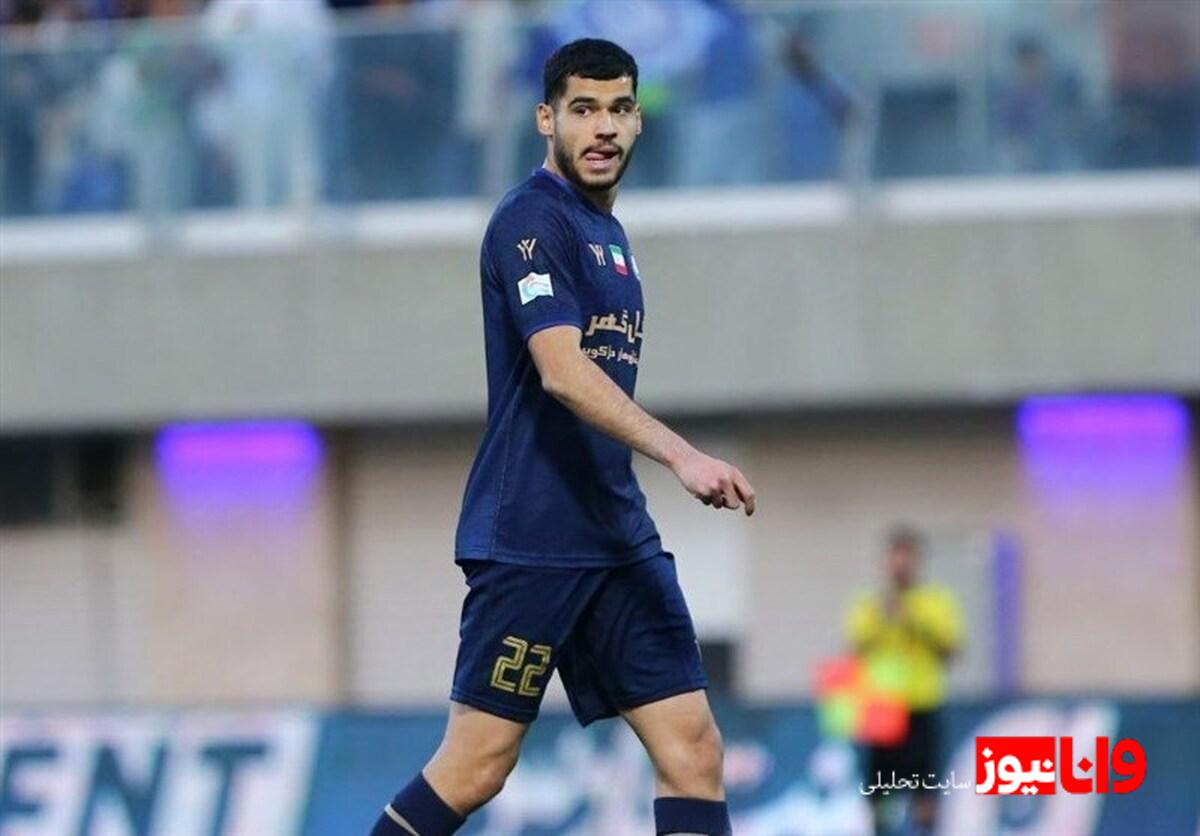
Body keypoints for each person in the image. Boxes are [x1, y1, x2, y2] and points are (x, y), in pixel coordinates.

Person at [370, 38, 756, 836]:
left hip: (616, 534)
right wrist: (681, 454)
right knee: (478, 765)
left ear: (639, 121)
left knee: (694, 751)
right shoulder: (530, 220)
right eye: (583, 109)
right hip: (533, 538)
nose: (603, 127)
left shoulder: (608, 235)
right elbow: (562, 371)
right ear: (547, 119)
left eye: (619, 109)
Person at [844, 526, 962, 836]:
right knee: (880, 789)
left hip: (923, 705)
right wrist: (883, 619)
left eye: (907, 556)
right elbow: (855, 648)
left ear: (918, 560)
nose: (901, 564)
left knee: (925, 788)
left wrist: (912, 620)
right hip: (883, 709)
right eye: (895, 556)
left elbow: (951, 648)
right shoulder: (870, 604)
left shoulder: (935, 602)